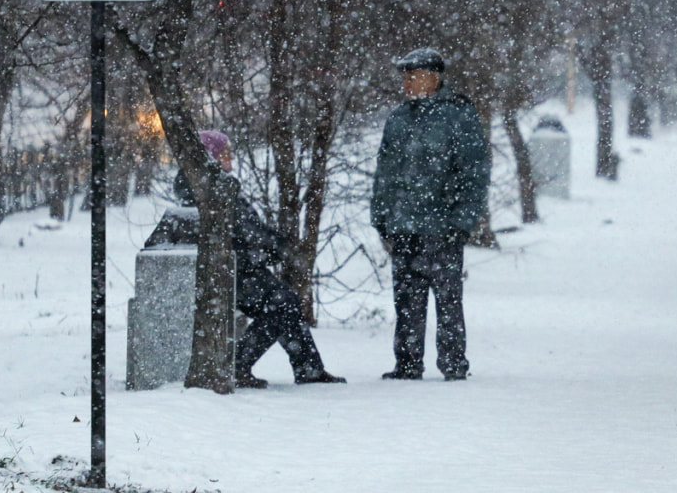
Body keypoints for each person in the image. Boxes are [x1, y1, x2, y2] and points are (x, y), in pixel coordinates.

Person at [174, 130, 345, 388]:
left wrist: (273, 245)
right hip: (231, 270)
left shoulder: (206, 185)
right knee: (283, 303)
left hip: (235, 265)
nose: (229, 156)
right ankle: (240, 366)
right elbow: (248, 232)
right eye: (223, 152)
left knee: (284, 300)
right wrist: (279, 247)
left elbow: (246, 230)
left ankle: (308, 368)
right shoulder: (212, 188)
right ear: (210, 157)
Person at [371, 47, 490, 381]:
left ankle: (453, 364)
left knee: (448, 299)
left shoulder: (458, 116)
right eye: (405, 76)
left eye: (414, 75)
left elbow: (474, 173)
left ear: (434, 78)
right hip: (403, 224)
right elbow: (385, 171)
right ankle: (407, 363)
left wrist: (462, 221)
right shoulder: (398, 118)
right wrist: (381, 217)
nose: (408, 82)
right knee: (406, 299)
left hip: (442, 226)